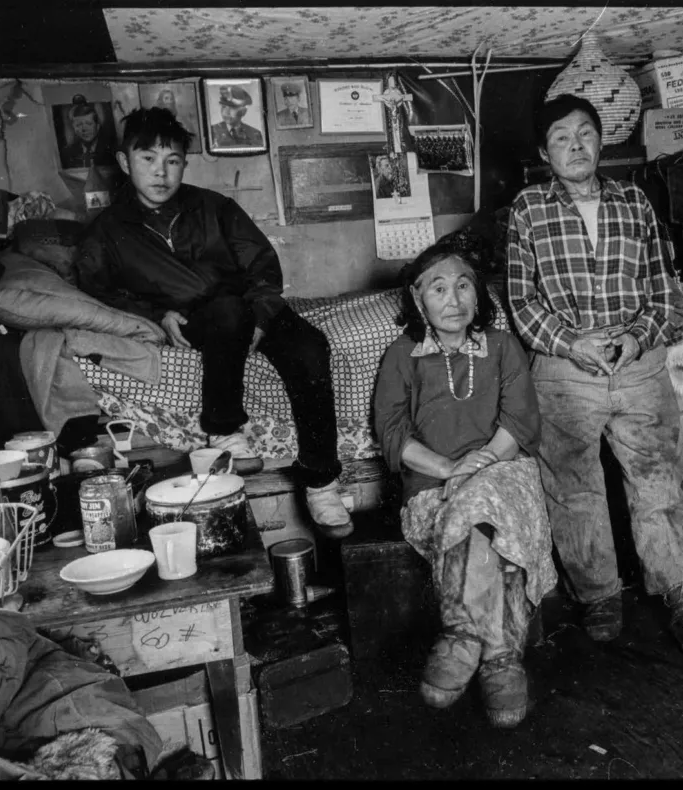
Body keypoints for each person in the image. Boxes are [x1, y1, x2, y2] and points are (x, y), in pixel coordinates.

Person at [505, 94, 683, 664]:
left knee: (658, 481)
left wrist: (636, 337)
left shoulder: (635, 203)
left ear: (601, 142)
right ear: (543, 151)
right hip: (564, 364)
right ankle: (599, 595)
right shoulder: (528, 208)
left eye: (585, 134)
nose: (575, 145)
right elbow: (522, 304)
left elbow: (662, 290)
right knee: (574, 487)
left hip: (638, 361)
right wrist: (570, 342)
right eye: (561, 137)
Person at [74, 107, 351, 536]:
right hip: (200, 318)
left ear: (185, 163)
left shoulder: (215, 207)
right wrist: (155, 315)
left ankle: (321, 481)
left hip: (253, 310)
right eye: (147, 159)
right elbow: (97, 292)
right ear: (125, 162)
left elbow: (263, 269)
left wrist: (259, 321)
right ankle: (224, 431)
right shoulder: (107, 231)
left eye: (173, 160)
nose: (161, 172)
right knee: (225, 311)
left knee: (310, 347)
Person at [373, 240, 558, 728]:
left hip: (505, 474)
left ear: (478, 298)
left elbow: (520, 422)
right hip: (431, 487)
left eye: (463, 286)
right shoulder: (401, 355)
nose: (452, 299)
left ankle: (461, 636)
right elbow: (392, 433)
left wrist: (478, 468)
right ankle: (500, 658)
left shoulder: (501, 346)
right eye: (439, 288)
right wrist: (447, 469)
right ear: (418, 300)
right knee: (483, 528)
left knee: (484, 503)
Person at [61, 96, 116, 169]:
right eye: (78, 125)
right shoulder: (67, 153)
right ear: (73, 128)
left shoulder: (111, 150)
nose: (84, 129)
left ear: (97, 126)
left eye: (89, 123)